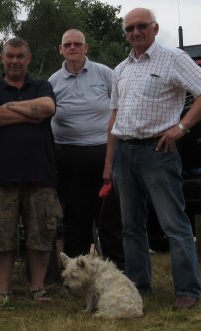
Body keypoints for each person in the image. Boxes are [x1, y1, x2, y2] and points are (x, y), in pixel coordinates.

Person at [103, 8, 201, 309]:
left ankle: (188, 291)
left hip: (158, 152)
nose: (135, 32)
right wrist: (109, 163)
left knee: (174, 224)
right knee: (130, 226)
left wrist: (181, 127)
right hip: (125, 154)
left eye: (141, 26)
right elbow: (115, 117)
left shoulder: (174, 58)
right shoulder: (120, 69)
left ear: (155, 29)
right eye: (129, 29)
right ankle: (139, 286)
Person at [0, 37, 61, 308]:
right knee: (1, 237)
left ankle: (37, 288)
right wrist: (29, 112)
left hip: (41, 173)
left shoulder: (42, 85)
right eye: (9, 56)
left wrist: (8, 108)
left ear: (28, 58)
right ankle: (3, 290)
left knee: (40, 234)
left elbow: (48, 108)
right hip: (0, 175)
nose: (14, 61)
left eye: (19, 56)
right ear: (2, 58)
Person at [49, 29, 124, 268]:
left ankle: (116, 270)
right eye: (67, 44)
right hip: (68, 155)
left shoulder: (105, 74)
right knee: (74, 217)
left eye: (77, 44)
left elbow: (121, 107)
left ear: (86, 48)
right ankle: (75, 274)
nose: (72, 48)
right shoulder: (53, 81)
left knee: (110, 216)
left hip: (104, 153)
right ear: (60, 49)